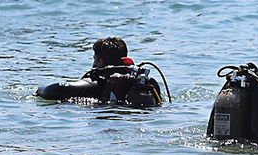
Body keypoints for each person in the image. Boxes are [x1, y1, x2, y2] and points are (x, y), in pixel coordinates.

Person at [36, 36, 165, 109]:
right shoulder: (142, 80)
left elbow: (60, 88)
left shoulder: (99, 80)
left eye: (94, 59)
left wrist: (39, 90)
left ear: (100, 60)